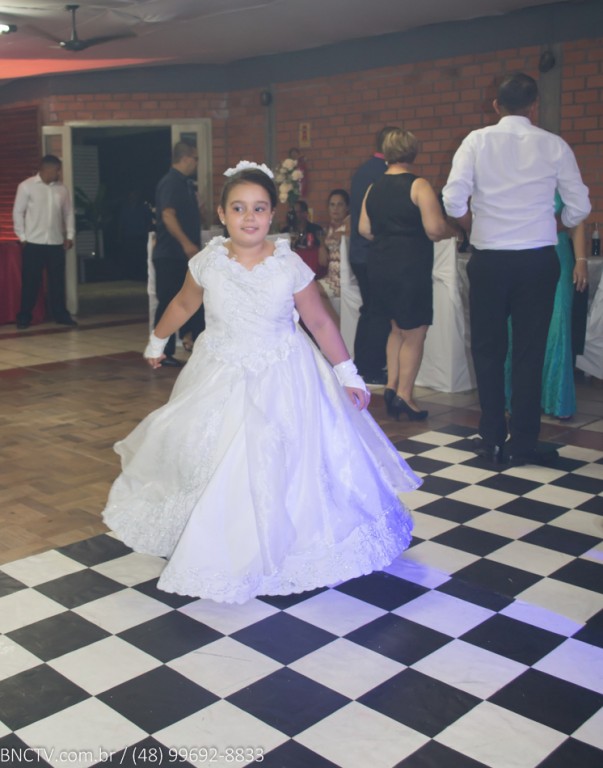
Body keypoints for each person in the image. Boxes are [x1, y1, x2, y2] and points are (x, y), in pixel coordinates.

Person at [102, 162, 418, 604]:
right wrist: (158, 340)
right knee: (214, 451)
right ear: (222, 213)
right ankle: (217, 534)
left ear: (272, 214)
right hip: (219, 370)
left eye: (259, 208)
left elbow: (319, 322)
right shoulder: (208, 262)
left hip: (285, 373)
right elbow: (183, 304)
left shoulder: (288, 265)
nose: (249, 217)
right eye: (238, 208)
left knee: (284, 455)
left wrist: (347, 373)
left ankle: (293, 541)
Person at [442, 73, 591, 467]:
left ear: (496, 105)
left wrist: (474, 225)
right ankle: (523, 441)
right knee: (530, 350)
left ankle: (491, 436)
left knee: (488, 349)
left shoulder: (476, 141)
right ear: (534, 106)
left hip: (490, 259)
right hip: (537, 259)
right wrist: (554, 225)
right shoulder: (555, 145)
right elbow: (579, 206)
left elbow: (453, 200)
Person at [360, 128, 454, 421]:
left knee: (396, 329)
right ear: (413, 152)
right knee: (415, 331)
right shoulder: (419, 185)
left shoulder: (373, 187)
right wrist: (452, 231)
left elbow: (364, 229)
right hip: (410, 266)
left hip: (380, 266)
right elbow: (434, 229)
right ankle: (405, 395)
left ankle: (391, 387)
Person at [505, 194, 589, 419]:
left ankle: (555, 399)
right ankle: (517, 397)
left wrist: (581, 260)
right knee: (517, 329)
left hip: (558, 254)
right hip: (519, 257)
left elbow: (577, 218)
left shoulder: (561, 178)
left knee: (558, 327)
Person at [349, 128, 398, 385]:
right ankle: (372, 367)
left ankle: (362, 365)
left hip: (359, 251)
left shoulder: (364, 170)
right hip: (372, 250)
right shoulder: (383, 174)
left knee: (369, 310)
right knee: (378, 311)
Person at [152, 140, 205, 366]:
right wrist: (186, 244)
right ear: (185, 158)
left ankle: (194, 341)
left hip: (181, 255)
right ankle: (160, 352)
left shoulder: (185, 183)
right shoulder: (171, 182)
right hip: (170, 253)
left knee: (193, 298)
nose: (197, 163)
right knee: (168, 301)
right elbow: (168, 215)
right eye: (195, 158)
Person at [13, 154, 76, 329]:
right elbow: (18, 212)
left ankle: (61, 315)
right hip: (33, 242)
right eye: (56, 170)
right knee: (31, 281)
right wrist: (22, 237)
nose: (58, 173)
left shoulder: (62, 189)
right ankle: (24, 316)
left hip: (56, 242)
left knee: (57, 282)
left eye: (58, 170)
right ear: (45, 169)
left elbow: (68, 213)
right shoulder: (26, 186)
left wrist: (70, 235)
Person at [317, 189, 350, 320]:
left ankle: (335, 327)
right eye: (332, 205)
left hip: (343, 279)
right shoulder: (330, 228)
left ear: (347, 207)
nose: (335, 208)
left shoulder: (350, 225)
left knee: (310, 290)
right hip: (331, 276)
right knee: (304, 288)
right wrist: (322, 245)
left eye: (340, 204)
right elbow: (323, 261)